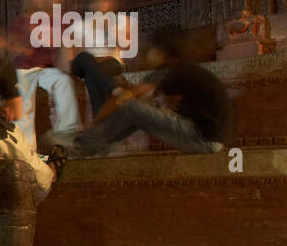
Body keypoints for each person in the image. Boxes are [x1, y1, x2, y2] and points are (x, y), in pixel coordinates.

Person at [55, 30, 232, 158]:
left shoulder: (178, 73)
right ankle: (96, 146)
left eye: (154, 49)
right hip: (206, 138)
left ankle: (81, 146)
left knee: (132, 108)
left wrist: (95, 123)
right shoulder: (184, 71)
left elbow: (128, 99)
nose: (150, 53)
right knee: (139, 110)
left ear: (163, 52)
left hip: (203, 140)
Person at [0, 19, 59, 197]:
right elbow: (17, 112)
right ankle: (50, 181)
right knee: (42, 177)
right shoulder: (1, 64)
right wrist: (2, 109)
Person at [8, 0, 82, 148]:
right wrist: (25, 46)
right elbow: (12, 48)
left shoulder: (54, 21)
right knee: (25, 102)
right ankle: (28, 148)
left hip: (46, 69)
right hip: (23, 69)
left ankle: (67, 129)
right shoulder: (20, 21)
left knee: (63, 81)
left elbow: (65, 48)